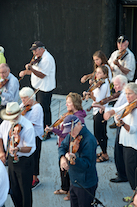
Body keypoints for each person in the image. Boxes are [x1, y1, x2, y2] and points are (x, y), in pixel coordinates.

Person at [45, 92, 87, 201]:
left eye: (68, 102)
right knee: (63, 167)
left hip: (70, 145)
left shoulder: (77, 118)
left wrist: (53, 129)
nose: (66, 105)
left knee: (69, 168)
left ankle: (70, 191)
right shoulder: (70, 114)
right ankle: (65, 187)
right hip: (63, 144)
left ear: (75, 104)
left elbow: (66, 134)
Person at [103, 83, 137, 206]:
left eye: (130, 94)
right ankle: (135, 196)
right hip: (126, 143)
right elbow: (118, 109)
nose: (127, 96)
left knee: (132, 172)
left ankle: (135, 199)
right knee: (129, 171)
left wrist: (123, 124)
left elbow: (133, 129)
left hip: (133, 145)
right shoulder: (129, 105)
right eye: (126, 94)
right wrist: (109, 113)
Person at [92, 74, 128, 182]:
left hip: (122, 125)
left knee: (119, 151)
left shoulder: (125, 95)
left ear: (124, 84)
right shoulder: (122, 94)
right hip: (121, 124)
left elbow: (118, 109)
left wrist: (104, 108)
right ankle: (123, 172)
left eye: (117, 85)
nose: (115, 88)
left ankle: (123, 175)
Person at [0, 102, 36, 207]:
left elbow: (30, 147)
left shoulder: (27, 126)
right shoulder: (6, 122)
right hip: (11, 159)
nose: (10, 118)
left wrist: (18, 148)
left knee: (25, 191)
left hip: (24, 161)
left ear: (18, 114)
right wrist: (1, 152)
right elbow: (0, 137)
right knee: (14, 189)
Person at [58, 115, 98, 207]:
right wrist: (62, 158)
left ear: (79, 124)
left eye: (71, 131)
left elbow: (87, 164)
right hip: (74, 180)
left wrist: (75, 160)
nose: (70, 134)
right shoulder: (72, 134)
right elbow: (62, 147)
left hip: (85, 184)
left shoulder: (89, 140)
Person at [19, 41, 56, 139]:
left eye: (35, 50)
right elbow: (35, 71)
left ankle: (46, 132)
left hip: (44, 88)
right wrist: (26, 72)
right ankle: (48, 129)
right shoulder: (38, 57)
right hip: (38, 87)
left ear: (41, 49)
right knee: (45, 109)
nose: (34, 53)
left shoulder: (47, 59)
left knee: (44, 110)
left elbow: (42, 74)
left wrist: (31, 68)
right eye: (33, 51)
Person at [84, 65, 110, 162]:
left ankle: (105, 154)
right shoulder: (99, 83)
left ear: (105, 74)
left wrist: (90, 95)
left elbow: (98, 100)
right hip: (97, 109)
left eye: (99, 73)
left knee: (99, 134)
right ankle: (104, 152)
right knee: (101, 133)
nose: (97, 74)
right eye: (96, 72)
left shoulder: (103, 85)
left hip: (100, 110)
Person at [19, 87, 44, 189]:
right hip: (27, 134)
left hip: (35, 135)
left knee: (34, 156)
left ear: (31, 97)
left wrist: (21, 118)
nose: (23, 101)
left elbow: (31, 123)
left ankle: (35, 178)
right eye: (22, 98)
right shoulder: (23, 105)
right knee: (28, 157)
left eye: (25, 98)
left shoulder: (37, 108)